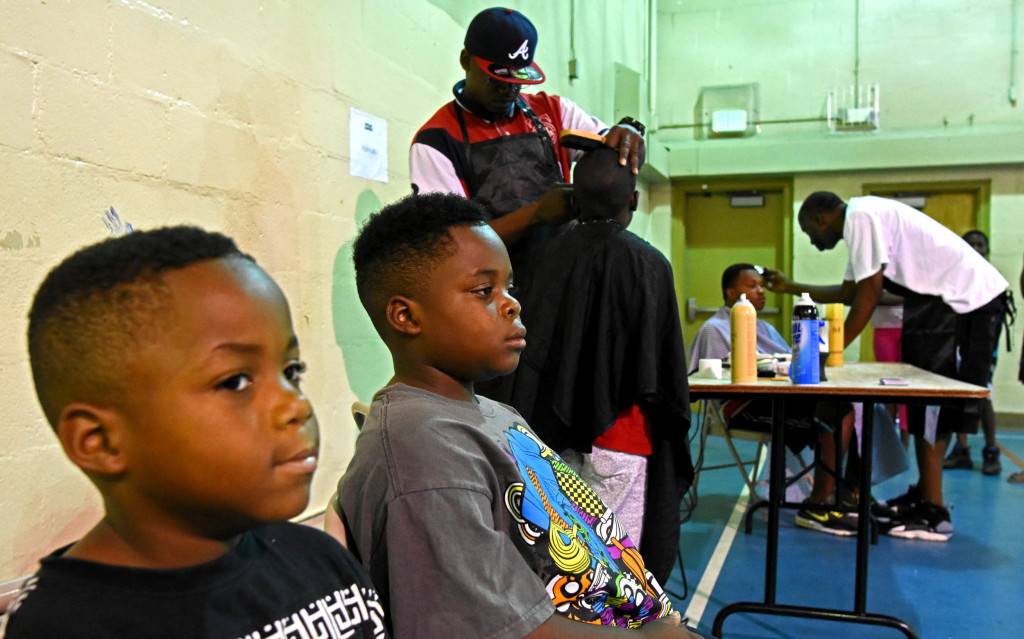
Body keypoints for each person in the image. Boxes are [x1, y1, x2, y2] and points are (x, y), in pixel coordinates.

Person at [330, 192, 708, 638]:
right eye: (483, 291)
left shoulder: (493, 412)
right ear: (406, 317)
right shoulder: (426, 451)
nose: (512, 305)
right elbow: (499, 631)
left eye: (511, 287)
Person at [2, 227, 387, 638]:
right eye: (235, 382)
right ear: (101, 442)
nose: (296, 406)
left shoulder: (321, 562)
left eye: (291, 372)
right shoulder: (64, 627)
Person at [478, 147, 692, 579]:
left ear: (573, 200)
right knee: (616, 578)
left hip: (548, 438)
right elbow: (660, 371)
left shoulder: (535, 263)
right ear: (633, 201)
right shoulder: (649, 264)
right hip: (623, 442)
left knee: (561, 567)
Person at [765, 192, 1011, 541]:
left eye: (808, 232)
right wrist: (790, 287)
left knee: (935, 404)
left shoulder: (861, 216)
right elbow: (851, 292)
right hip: (937, 305)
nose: (812, 240)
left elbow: (868, 297)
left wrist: (829, 356)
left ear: (821, 219)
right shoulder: (862, 221)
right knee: (920, 403)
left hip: (965, 304)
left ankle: (935, 513)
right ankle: (925, 496)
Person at [409, 7, 646, 290]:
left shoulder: (555, 112)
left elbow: (616, 157)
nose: (508, 90)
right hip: (497, 296)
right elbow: (453, 248)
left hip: (566, 280)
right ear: (465, 60)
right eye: (496, 79)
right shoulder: (436, 141)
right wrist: (535, 215)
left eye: (517, 80)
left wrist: (630, 135)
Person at [688, 264, 859, 536]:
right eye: (752, 286)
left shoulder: (764, 326)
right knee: (836, 413)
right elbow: (715, 380)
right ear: (731, 292)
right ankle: (819, 503)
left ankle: (845, 494)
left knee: (849, 409)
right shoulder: (716, 328)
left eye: (761, 286)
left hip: (775, 399)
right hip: (744, 408)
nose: (761, 291)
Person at [944, 230, 1003, 475]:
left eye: (981, 244)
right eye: (971, 244)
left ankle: (990, 449)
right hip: (958, 343)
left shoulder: (993, 279)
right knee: (959, 394)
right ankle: (962, 448)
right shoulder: (956, 278)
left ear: (987, 249)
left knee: (982, 394)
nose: (977, 248)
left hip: (983, 347)